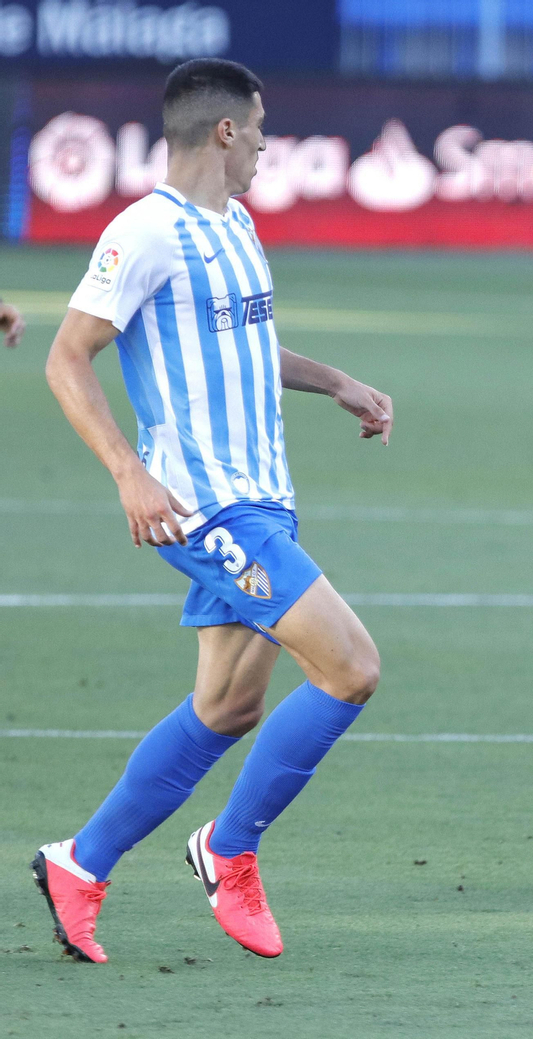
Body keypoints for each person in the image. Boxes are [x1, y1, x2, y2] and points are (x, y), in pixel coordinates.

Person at [31, 58, 396, 963]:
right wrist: (128, 471)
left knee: (229, 705)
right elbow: (66, 357)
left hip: (265, 495)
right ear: (226, 130)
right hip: (206, 508)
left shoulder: (236, 224)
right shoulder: (144, 233)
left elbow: (246, 344)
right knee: (351, 667)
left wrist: (336, 381)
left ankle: (80, 863)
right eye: (261, 128)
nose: (268, 145)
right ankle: (229, 848)